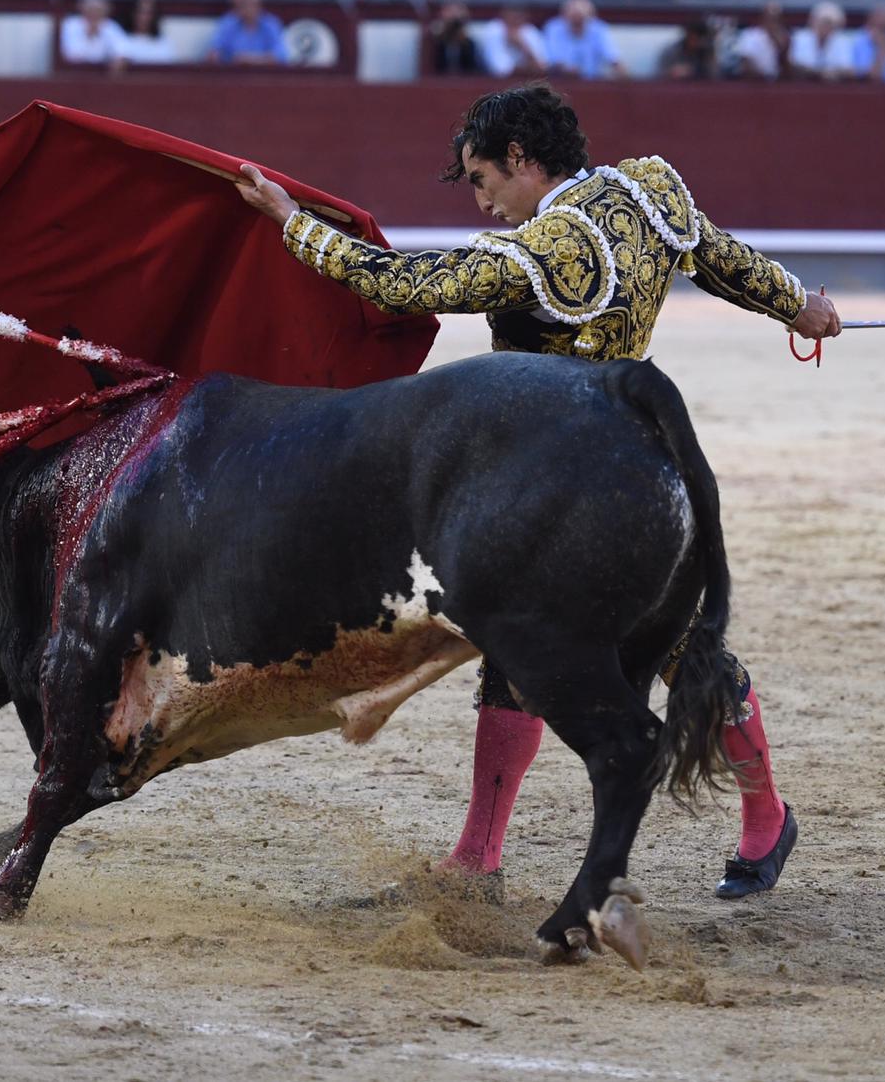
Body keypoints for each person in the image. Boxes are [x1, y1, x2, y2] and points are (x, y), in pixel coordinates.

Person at [232, 82, 837, 901]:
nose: (486, 207)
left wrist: (290, 223)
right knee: (683, 643)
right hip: (644, 451)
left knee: (525, 636)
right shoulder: (649, 189)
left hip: (551, 470)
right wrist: (802, 306)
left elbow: (399, 286)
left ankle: (482, 855)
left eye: (483, 182)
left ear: (521, 159)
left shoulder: (547, 249)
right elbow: (720, 257)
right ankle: (762, 817)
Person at [541, 0, 623, 80]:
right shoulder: (554, 28)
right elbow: (549, 62)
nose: (577, 22)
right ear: (564, 15)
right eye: (573, 17)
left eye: (581, 18)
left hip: (593, 83)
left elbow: (613, 58)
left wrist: (619, 72)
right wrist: (566, 70)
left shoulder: (599, 29)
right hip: (560, 82)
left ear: (591, 17)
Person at [208, 0, 291, 64]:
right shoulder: (228, 22)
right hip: (233, 74)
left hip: (264, 75)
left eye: (243, 3)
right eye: (235, 4)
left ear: (256, 3)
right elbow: (214, 54)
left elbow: (281, 56)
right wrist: (225, 57)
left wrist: (249, 59)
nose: (239, 8)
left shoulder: (270, 24)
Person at [789, 0, 854, 80]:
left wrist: (830, 73)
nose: (825, 27)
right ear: (813, 22)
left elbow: (848, 70)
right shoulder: (799, 37)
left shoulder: (843, 41)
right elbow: (795, 65)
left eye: (829, 23)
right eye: (822, 22)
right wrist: (821, 73)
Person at [477, 7, 547, 77]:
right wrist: (530, 68)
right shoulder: (494, 29)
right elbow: (501, 71)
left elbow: (542, 68)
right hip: (499, 86)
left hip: (528, 84)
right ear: (503, 13)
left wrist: (523, 46)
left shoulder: (530, 30)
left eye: (520, 13)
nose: (517, 17)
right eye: (513, 12)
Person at [734, 1, 789, 80]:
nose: (773, 22)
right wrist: (763, 77)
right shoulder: (750, 35)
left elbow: (786, 68)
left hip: (776, 83)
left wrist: (781, 46)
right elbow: (745, 63)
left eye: (776, 19)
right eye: (770, 18)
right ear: (763, 17)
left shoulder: (784, 37)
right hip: (755, 84)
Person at [119, 0, 177, 64]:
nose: (144, 18)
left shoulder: (163, 42)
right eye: (140, 12)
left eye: (149, 13)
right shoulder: (120, 39)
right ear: (132, 14)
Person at [430, 0, 480, 74]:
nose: (454, 28)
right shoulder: (435, 43)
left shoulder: (469, 44)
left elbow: (472, 71)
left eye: (457, 25)